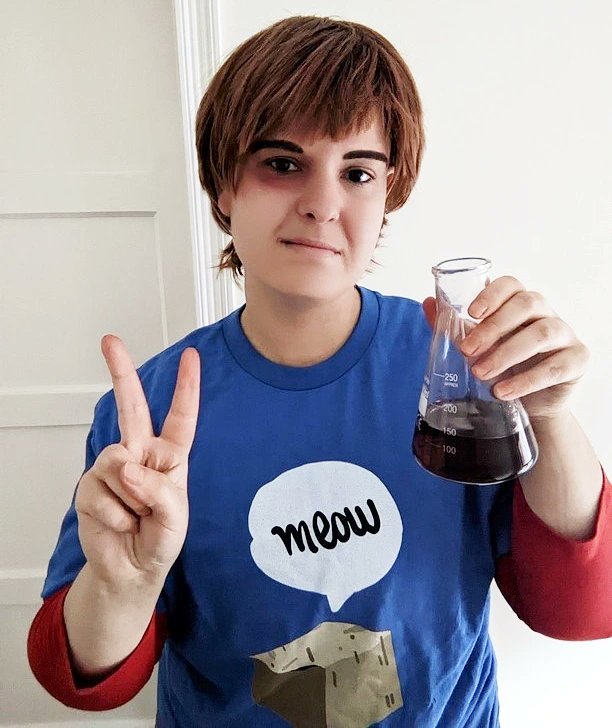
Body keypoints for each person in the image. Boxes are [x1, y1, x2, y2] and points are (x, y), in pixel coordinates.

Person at [27, 15, 610, 728]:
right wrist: (125, 584)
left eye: (358, 173)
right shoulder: (149, 409)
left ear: (388, 194)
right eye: (282, 164)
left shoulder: (458, 368)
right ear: (222, 189)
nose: (324, 204)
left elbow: (582, 610)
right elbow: (80, 676)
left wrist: (548, 412)